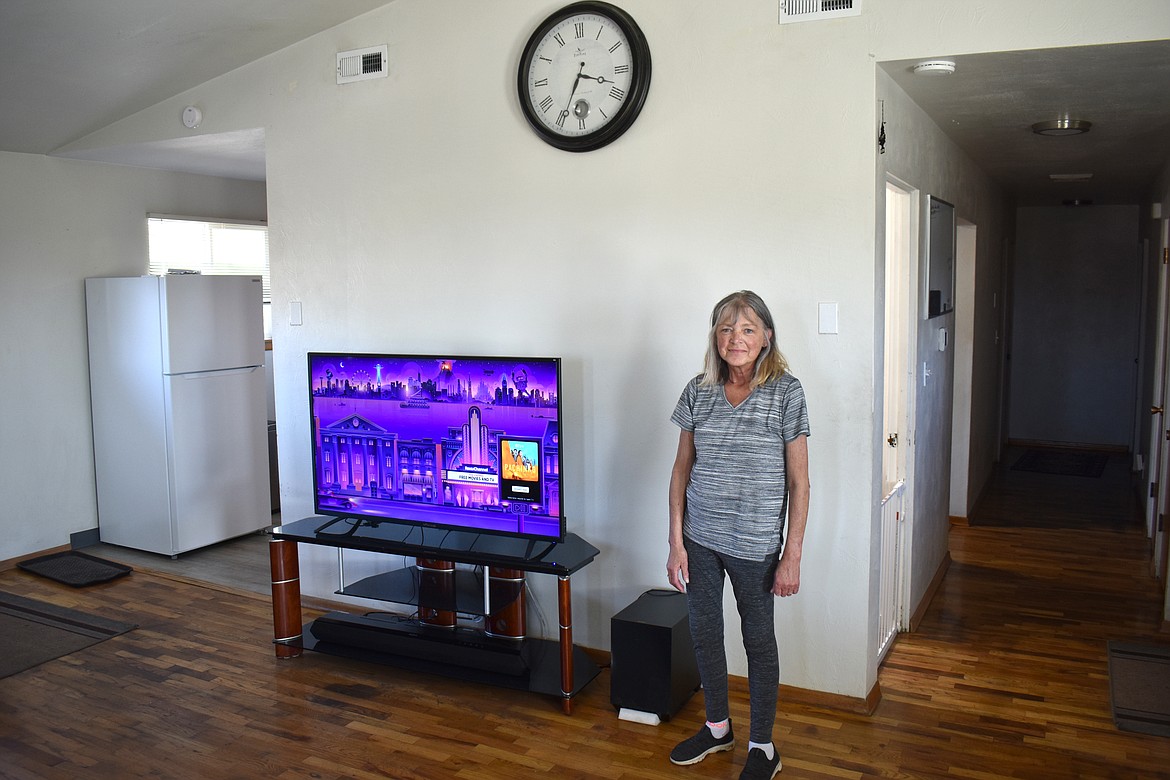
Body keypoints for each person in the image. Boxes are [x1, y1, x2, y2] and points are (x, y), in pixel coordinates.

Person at [666, 290, 811, 780]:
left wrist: (791, 556)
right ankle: (718, 727)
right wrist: (675, 542)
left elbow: (799, 483)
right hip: (700, 537)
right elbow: (681, 470)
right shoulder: (697, 390)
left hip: (756, 547)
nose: (736, 339)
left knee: (758, 642)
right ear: (715, 337)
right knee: (705, 635)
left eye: (748, 329)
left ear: (767, 336)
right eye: (727, 329)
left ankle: (764, 747)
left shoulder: (787, 392)